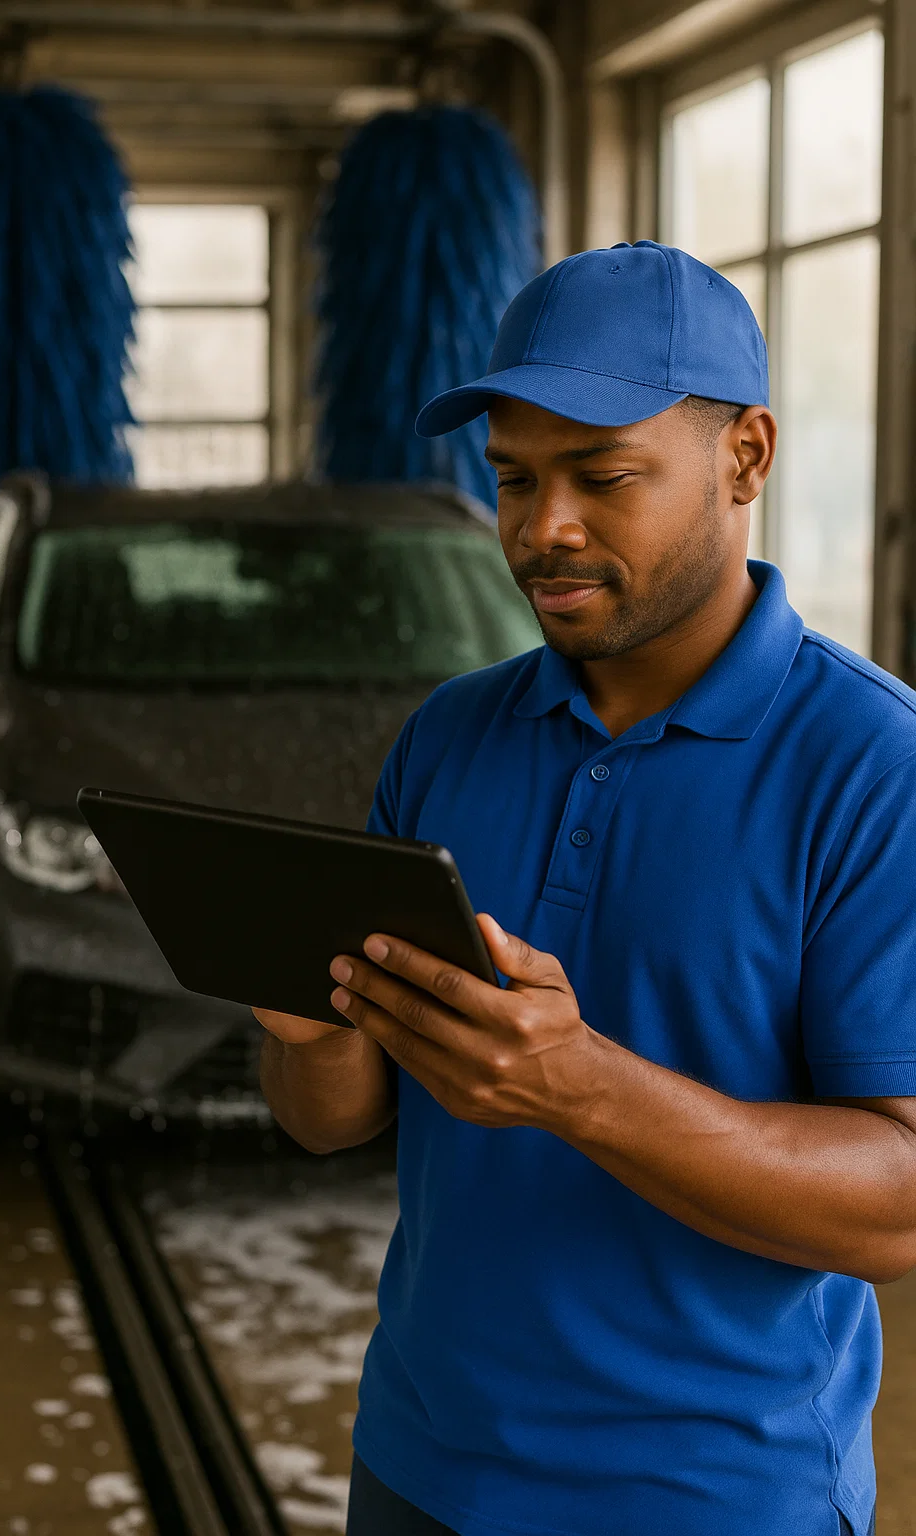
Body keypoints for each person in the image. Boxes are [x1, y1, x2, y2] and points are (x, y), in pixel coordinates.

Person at [255, 240, 916, 1536]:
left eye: (604, 477)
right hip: (419, 1469)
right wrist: (305, 1024)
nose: (542, 528)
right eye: (513, 478)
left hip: (714, 1497)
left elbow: (899, 1207)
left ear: (747, 459)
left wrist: (585, 1089)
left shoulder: (871, 766)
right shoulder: (448, 736)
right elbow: (330, 1124)